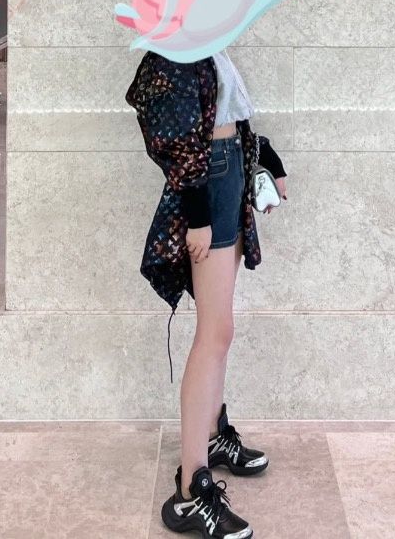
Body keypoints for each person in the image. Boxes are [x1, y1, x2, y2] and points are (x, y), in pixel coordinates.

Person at [125, 46, 287, 539]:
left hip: (228, 170)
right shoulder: (174, 49)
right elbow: (174, 134)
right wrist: (197, 214)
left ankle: (214, 437)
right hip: (209, 183)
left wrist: (266, 159)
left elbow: (226, 112)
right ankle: (190, 492)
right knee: (213, 334)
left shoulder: (208, 40)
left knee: (221, 330)